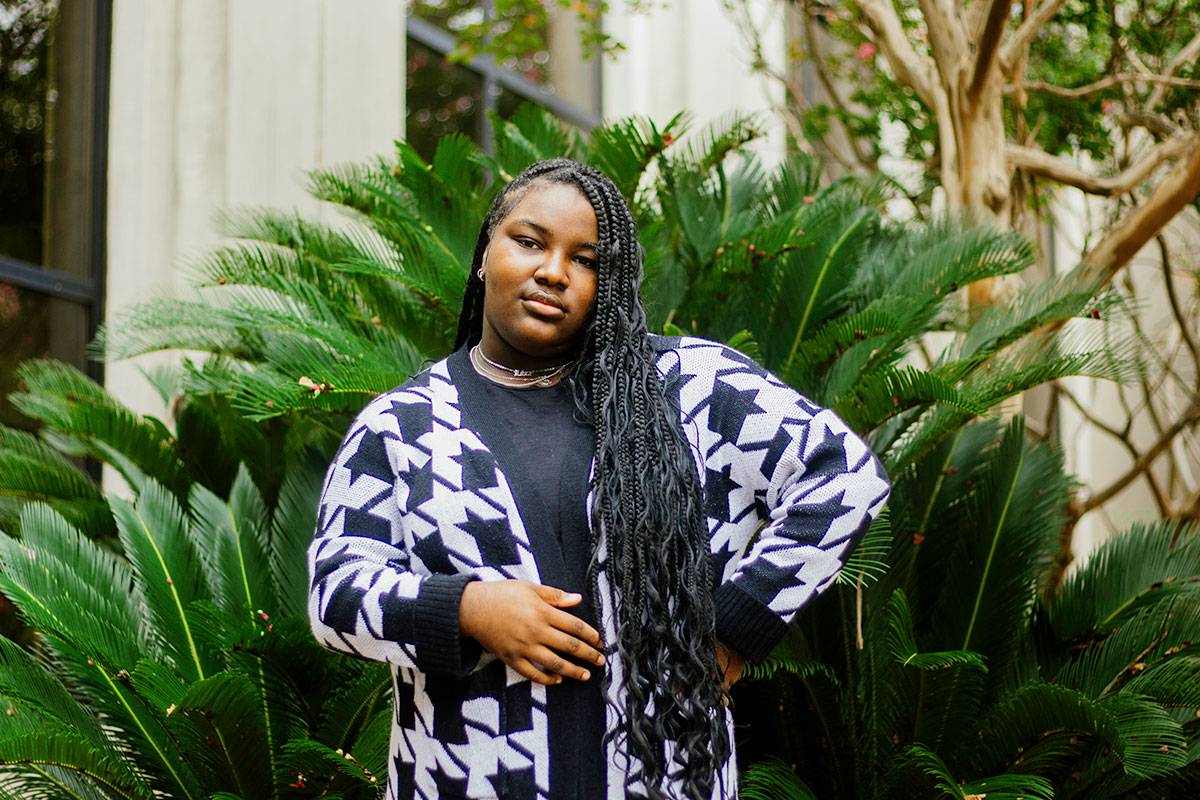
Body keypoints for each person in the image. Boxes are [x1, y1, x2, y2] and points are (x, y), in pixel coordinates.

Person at [307, 159, 891, 800]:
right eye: (529, 242)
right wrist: (469, 610)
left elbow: (843, 476)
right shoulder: (402, 425)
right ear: (484, 254)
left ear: (607, 285)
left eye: (585, 260)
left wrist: (737, 624)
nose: (552, 271)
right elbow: (335, 594)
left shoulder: (693, 390)